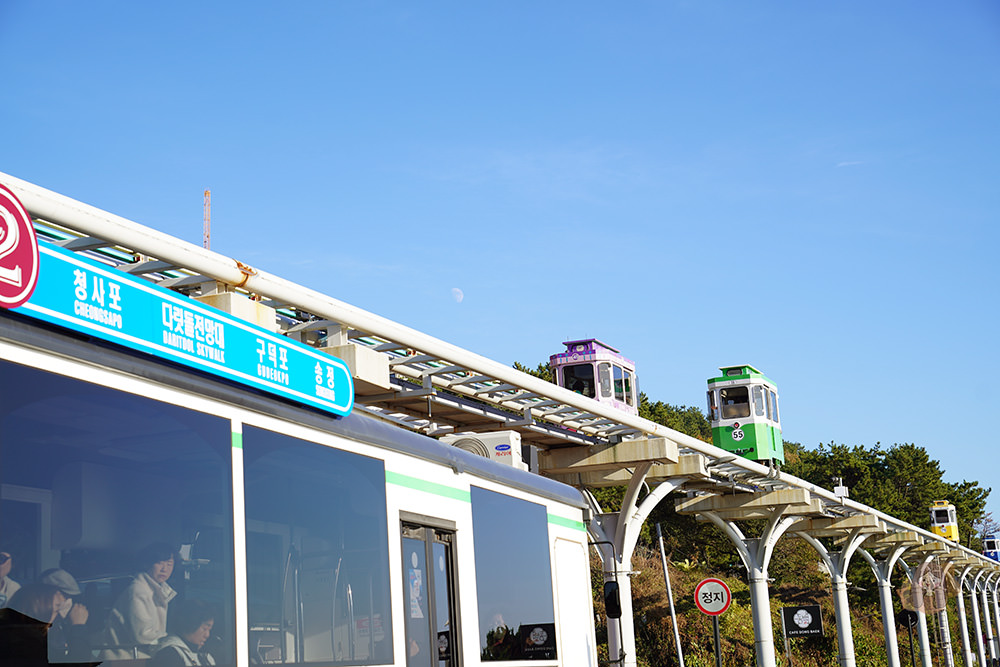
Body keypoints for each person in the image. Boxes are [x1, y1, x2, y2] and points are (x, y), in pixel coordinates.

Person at [102, 542, 179, 659]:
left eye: (169, 564)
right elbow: (143, 635)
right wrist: (176, 641)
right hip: (125, 660)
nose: (165, 569)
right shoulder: (138, 591)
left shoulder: (157, 590)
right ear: (147, 563)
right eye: (159, 563)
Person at [0, 583, 63, 666]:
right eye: (57, 610)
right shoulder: (29, 649)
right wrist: (78, 627)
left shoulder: (7, 635)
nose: (59, 616)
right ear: (39, 610)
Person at [40, 568, 93, 662]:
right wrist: (78, 627)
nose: (68, 602)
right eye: (64, 595)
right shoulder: (40, 628)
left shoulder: (62, 625)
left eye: (71, 597)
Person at [150, 599, 216, 667]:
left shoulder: (204, 657)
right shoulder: (169, 655)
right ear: (190, 624)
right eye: (204, 629)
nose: (207, 635)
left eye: (209, 630)